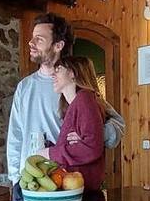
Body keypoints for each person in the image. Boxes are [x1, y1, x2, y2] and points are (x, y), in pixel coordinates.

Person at [6, 13, 125, 201]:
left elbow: (117, 126)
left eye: (39, 39)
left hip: (69, 188)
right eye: (32, 38)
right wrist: (15, 177)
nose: (31, 43)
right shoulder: (25, 87)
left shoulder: (77, 85)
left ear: (58, 45)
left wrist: (90, 137)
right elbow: (15, 136)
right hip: (30, 186)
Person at [34, 56, 106, 190]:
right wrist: (49, 146)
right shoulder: (73, 105)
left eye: (59, 69)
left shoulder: (85, 99)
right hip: (75, 187)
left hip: (83, 189)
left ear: (72, 73)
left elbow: (92, 148)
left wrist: (50, 153)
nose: (53, 74)